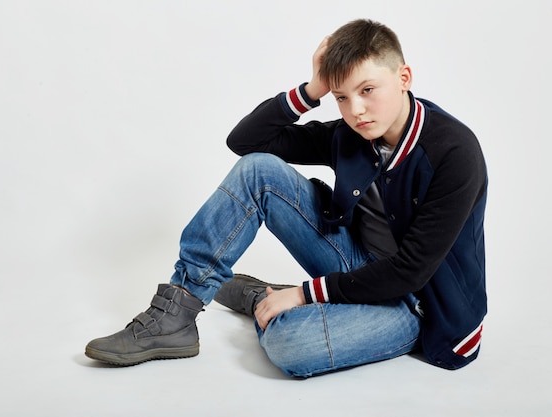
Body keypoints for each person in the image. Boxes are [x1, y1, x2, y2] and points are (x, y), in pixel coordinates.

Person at [85, 18, 488, 377]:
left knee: (290, 346)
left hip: (417, 304)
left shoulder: (453, 152)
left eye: (368, 89)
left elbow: (409, 272)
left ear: (404, 77)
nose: (357, 110)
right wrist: (313, 89)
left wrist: (303, 295)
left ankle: (266, 297)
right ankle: (178, 311)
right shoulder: (352, 133)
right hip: (355, 263)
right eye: (342, 97)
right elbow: (245, 142)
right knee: (258, 169)